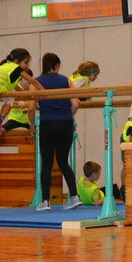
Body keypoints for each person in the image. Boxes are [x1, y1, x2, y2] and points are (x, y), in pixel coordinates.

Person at [34, 52, 81, 212]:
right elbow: (76, 103)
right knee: (63, 161)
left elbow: (31, 107)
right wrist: (68, 117)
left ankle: (45, 201)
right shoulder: (66, 80)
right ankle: (74, 196)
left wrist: (32, 124)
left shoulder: (37, 82)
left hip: (47, 123)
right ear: (57, 66)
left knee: (47, 163)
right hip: (65, 123)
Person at [0, 47, 44, 135]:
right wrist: (44, 91)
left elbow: (19, 89)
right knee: (9, 101)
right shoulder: (16, 68)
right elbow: (33, 81)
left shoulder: (5, 67)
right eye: (26, 63)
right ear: (16, 61)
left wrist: (28, 96)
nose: (27, 66)